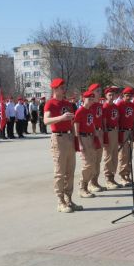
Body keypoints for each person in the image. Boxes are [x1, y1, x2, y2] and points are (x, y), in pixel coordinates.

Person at [44, 78, 82, 213]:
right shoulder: (50, 104)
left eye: (63, 87)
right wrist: (61, 118)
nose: (63, 89)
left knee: (70, 171)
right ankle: (60, 201)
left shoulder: (68, 104)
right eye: (60, 87)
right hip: (58, 138)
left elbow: (72, 123)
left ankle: (69, 199)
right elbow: (46, 120)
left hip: (69, 137)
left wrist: (75, 138)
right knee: (60, 172)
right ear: (54, 89)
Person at [74, 90, 100, 198]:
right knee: (87, 164)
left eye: (92, 99)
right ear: (83, 99)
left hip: (90, 137)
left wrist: (95, 137)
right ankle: (82, 187)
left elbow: (92, 125)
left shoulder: (90, 111)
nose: (91, 101)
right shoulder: (80, 111)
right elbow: (76, 128)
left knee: (93, 163)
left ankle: (86, 185)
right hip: (83, 138)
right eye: (89, 99)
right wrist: (79, 143)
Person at [117, 87, 134, 186]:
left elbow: (133, 118)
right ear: (123, 95)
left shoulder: (133, 105)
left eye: (130, 95)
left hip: (130, 131)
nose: (129, 97)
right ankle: (122, 176)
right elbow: (117, 119)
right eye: (127, 95)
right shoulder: (120, 104)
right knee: (123, 155)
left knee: (129, 155)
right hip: (122, 131)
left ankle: (127, 175)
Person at [87, 83, 106, 192]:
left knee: (98, 159)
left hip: (100, 132)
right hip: (92, 134)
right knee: (92, 159)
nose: (100, 93)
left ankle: (95, 181)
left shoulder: (99, 105)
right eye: (97, 91)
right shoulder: (89, 105)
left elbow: (102, 119)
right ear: (92, 92)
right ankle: (90, 182)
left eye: (100, 90)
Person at [102, 87, 121, 189]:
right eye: (109, 95)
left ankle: (112, 177)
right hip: (108, 131)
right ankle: (108, 178)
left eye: (113, 95)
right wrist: (105, 135)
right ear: (106, 96)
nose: (111, 97)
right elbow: (104, 122)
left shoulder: (115, 106)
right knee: (108, 156)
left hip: (115, 131)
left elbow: (117, 120)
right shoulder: (104, 107)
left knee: (115, 156)